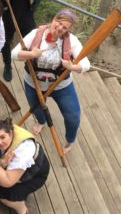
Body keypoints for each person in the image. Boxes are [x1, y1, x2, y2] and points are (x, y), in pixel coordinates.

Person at [11, 9, 91, 154]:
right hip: (34, 83)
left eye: (65, 27)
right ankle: (41, 121)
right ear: (53, 19)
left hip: (61, 86)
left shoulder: (71, 41)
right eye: (59, 23)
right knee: (37, 109)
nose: (60, 28)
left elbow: (86, 65)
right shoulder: (36, 34)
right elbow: (14, 54)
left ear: (68, 30)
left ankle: (69, 140)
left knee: (73, 116)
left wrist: (72, 66)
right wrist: (31, 53)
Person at [0, 118, 50, 214]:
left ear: (11, 133)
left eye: (3, 137)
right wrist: (2, 162)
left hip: (34, 174)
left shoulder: (23, 149)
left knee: (5, 196)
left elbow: (7, 182)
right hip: (9, 171)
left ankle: (21, 210)